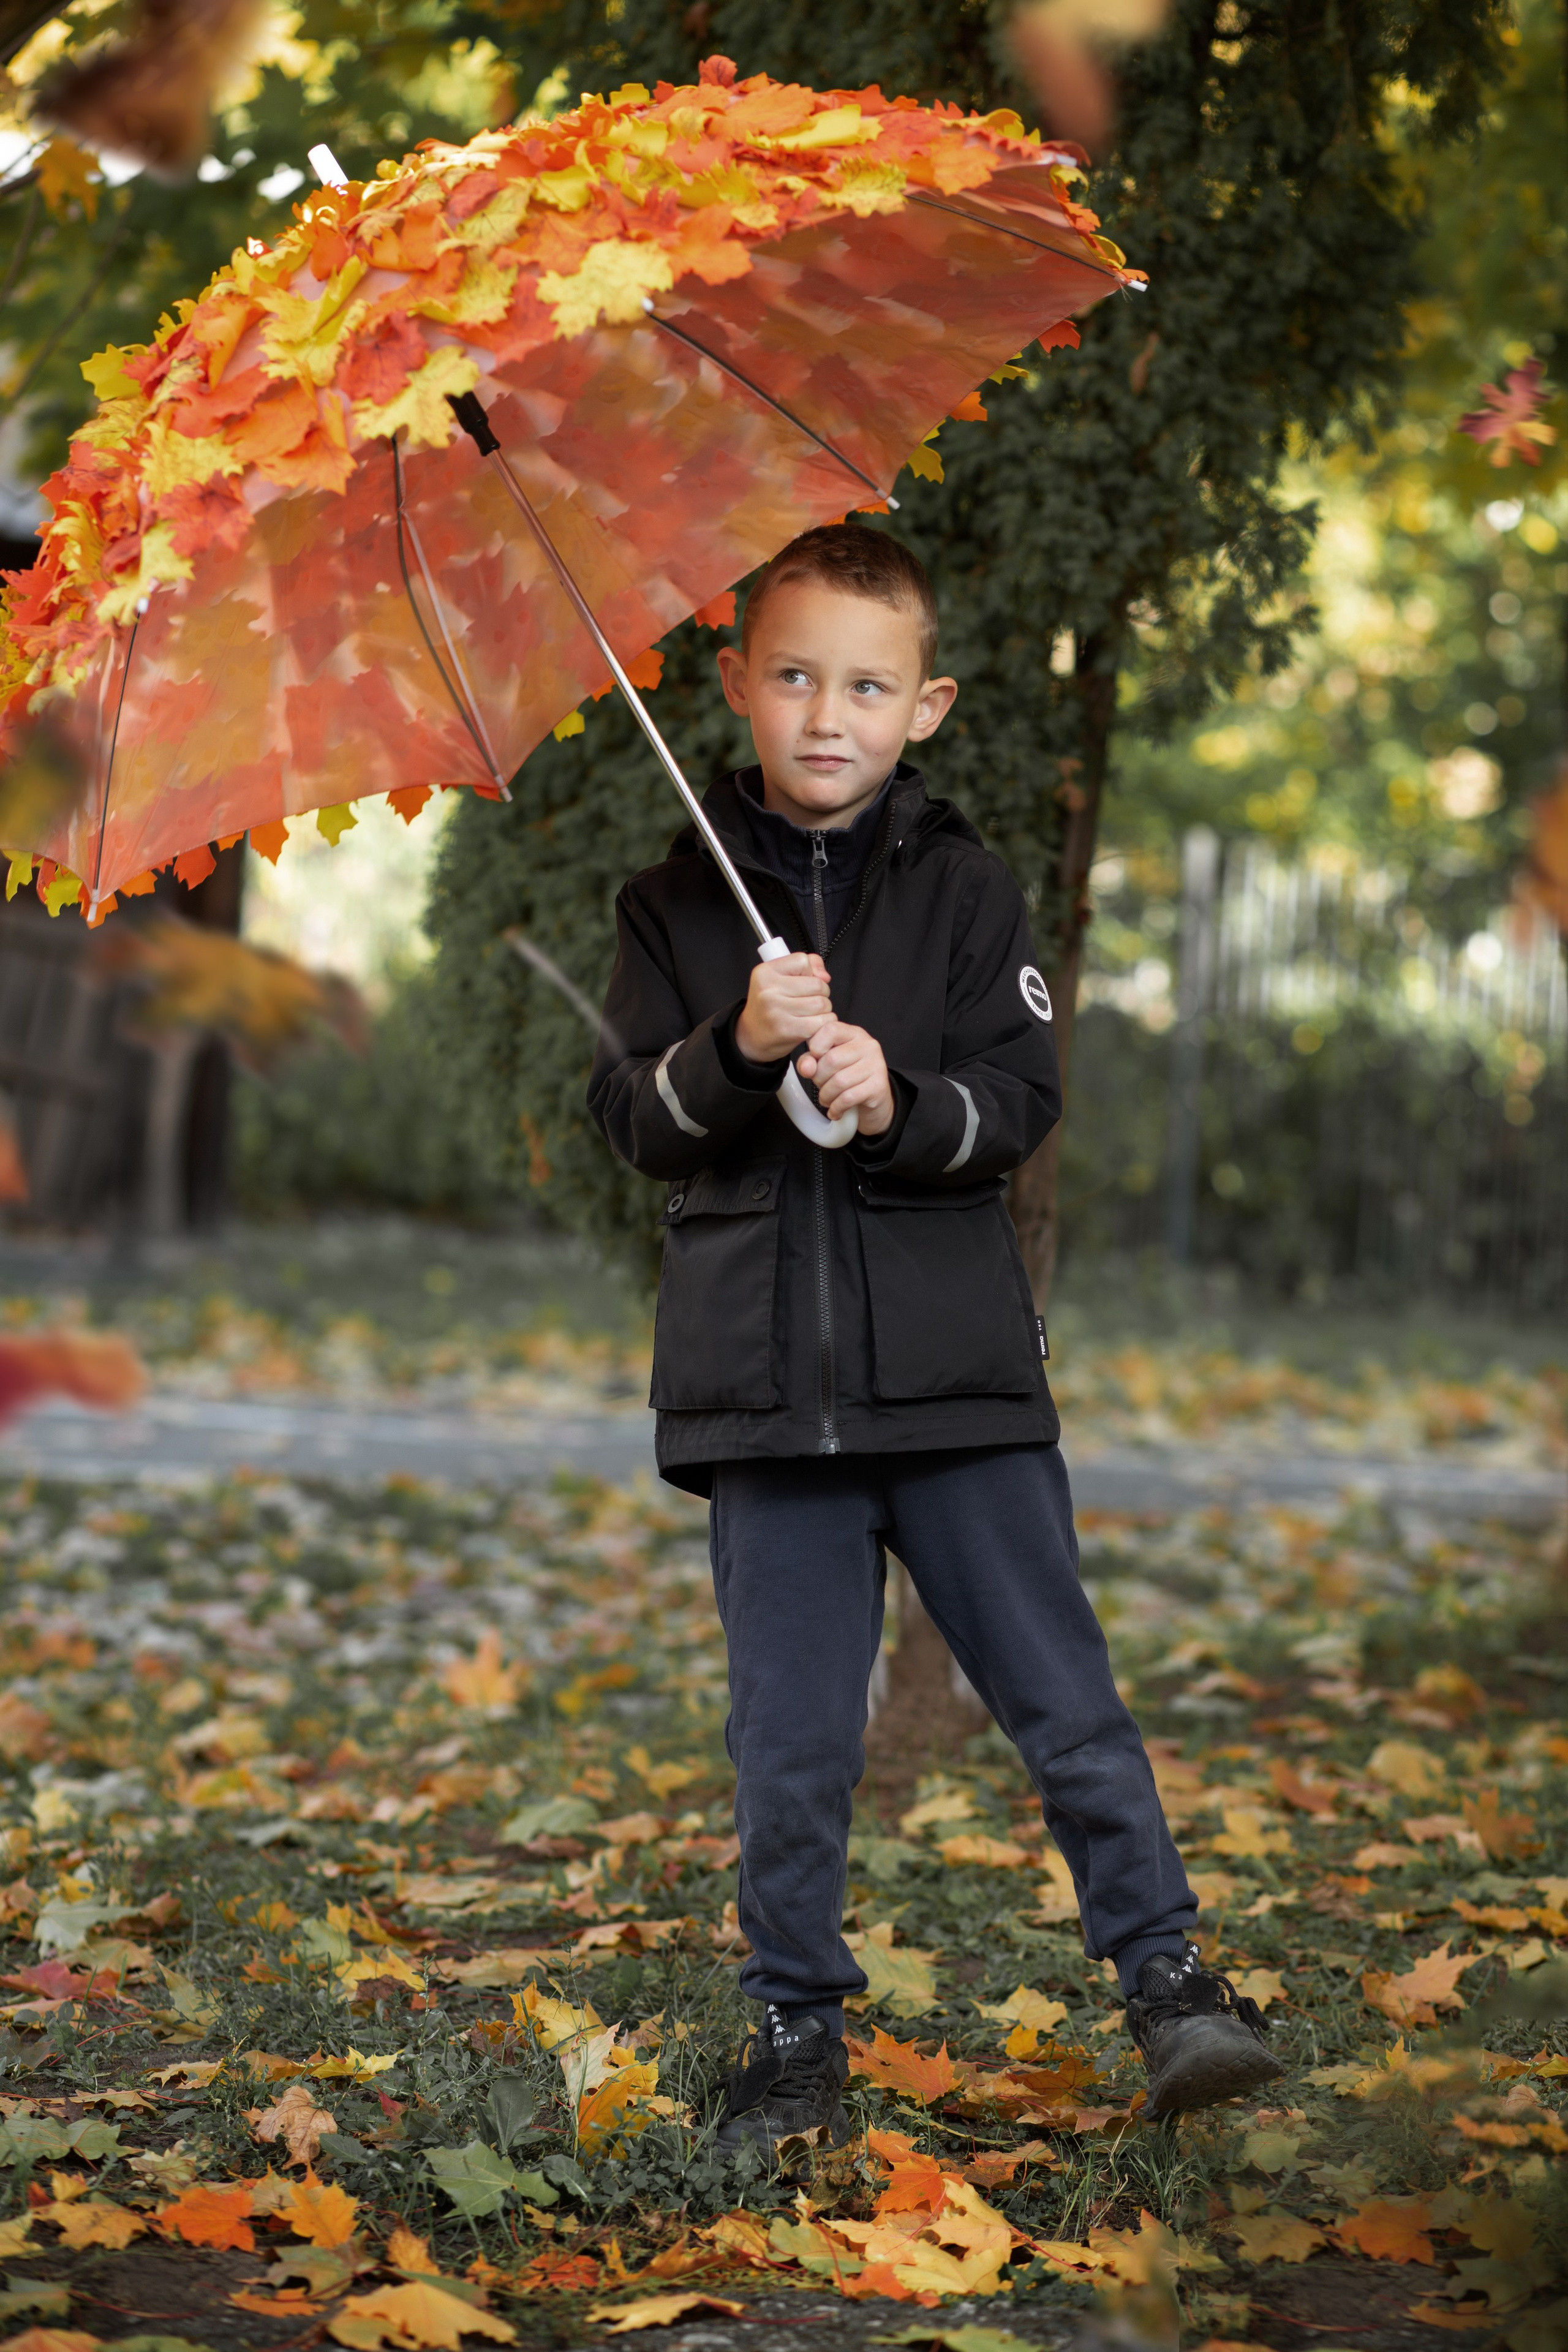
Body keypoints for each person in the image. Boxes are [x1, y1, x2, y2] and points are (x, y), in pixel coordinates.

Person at [587, 523, 1283, 2147]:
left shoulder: (967, 889)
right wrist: (737, 1048)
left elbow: (1022, 1100)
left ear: (930, 705)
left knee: (1062, 1694)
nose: (830, 713)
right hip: (765, 1406)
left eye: (870, 685)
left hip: (957, 1387)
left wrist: (898, 1098)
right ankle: (792, 2035)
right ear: (737, 685)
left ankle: (1171, 1983)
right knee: (792, 1740)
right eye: (798, 676)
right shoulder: (674, 904)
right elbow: (634, 1118)